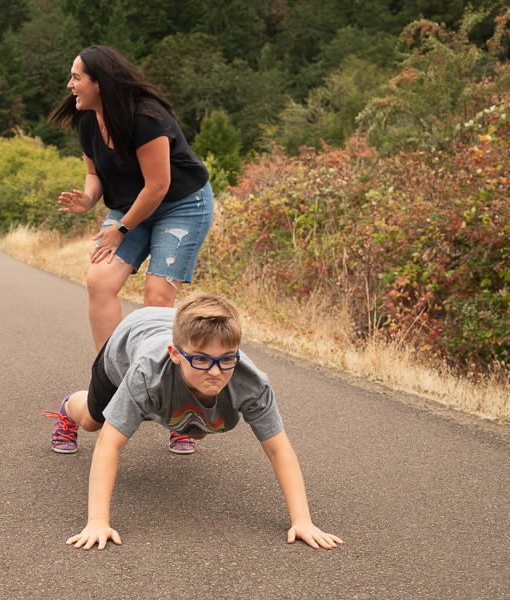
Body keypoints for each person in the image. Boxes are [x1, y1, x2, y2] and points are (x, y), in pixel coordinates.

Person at [42, 292, 343, 551]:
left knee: (205, 424)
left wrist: (302, 520)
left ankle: (178, 421)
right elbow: (109, 445)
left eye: (227, 359)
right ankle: (69, 408)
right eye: (201, 359)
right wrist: (97, 521)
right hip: (129, 342)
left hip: (176, 344)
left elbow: (279, 450)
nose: (215, 371)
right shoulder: (146, 374)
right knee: (95, 422)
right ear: (175, 354)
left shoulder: (251, 383)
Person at [48, 45, 213, 453]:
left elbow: (157, 186)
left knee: (157, 298)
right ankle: (118, 380)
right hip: (128, 206)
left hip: (181, 206)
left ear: (100, 81)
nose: (70, 85)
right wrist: (88, 200)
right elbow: (94, 174)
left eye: (76, 77)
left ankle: (178, 403)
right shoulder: (89, 120)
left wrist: (121, 228)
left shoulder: (146, 118)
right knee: (99, 280)